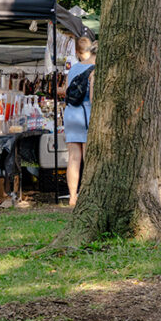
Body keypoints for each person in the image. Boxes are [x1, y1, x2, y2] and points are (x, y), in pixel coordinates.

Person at [63, 36, 95, 206]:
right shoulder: (95, 69)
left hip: (70, 114)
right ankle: (87, 193)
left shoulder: (73, 69)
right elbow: (92, 97)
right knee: (89, 157)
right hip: (86, 114)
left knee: (73, 158)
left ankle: (72, 196)